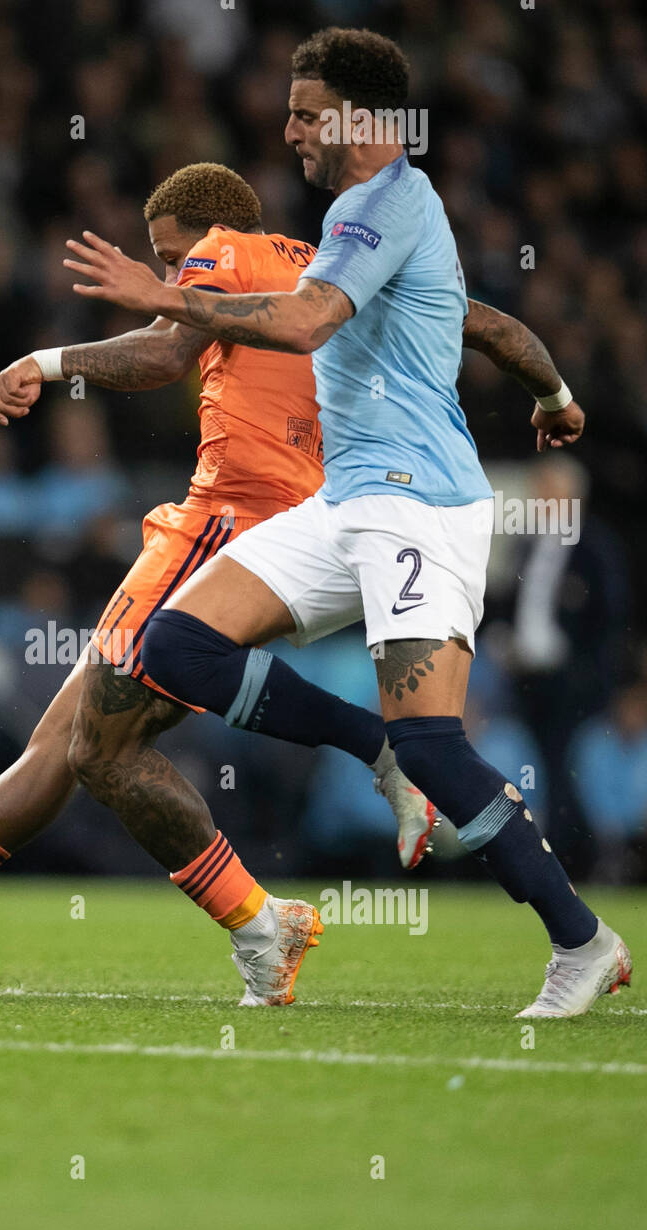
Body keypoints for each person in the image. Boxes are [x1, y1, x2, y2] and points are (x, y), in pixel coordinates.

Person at [0, 160, 569, 1008]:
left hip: (228, 524)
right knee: (85, 734)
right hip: (322, 526)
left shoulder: (224, 250)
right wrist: (555, 395)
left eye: (169, 255)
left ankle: (285, 888)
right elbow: (489, 327)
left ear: (205, 230)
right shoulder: (340, 264)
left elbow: (163, 353)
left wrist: (46, 363)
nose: (169, 275)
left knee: (87, 743)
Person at [64, 27, 631, 1017]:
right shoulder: (359, 218)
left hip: (418, 506)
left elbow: (301, 323)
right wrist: (552, 395)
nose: (284, 129)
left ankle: (579, 941)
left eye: (303, 113)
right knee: (178, 644)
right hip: (348, 502)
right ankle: (372, 743)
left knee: (437, 748)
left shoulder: (386, 202)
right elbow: (487, 326)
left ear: (360, 120)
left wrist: (167, 302)